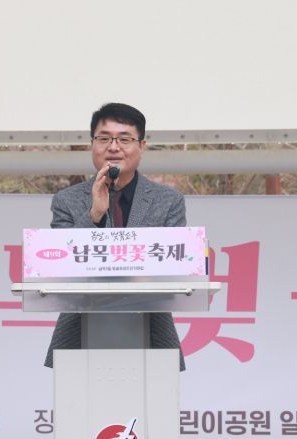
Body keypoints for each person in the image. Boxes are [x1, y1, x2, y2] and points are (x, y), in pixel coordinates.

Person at [44, 103, 186, 371]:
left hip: (152, 334)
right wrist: (94, 215)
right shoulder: (67, 200)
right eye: (104, 138)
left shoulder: (168, 201)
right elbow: (62, 265)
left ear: (142, 146)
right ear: (92, 144)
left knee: (155, 399)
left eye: (124, 139)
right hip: (79, 336)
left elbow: (175, 270)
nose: (113, 147)